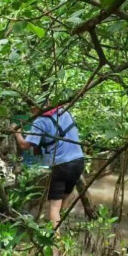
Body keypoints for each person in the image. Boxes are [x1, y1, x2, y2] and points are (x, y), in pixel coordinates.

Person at [12, 98, 84, 230]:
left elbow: (24, 145)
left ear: (36, 108)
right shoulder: (64, 112)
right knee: (65, 196)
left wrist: (16, 132)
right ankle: (60, 225)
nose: (31, 114)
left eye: (31, 110)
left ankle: (56, 243)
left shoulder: (40, 121)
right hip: (79, 161)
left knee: (54, 207)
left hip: (62, 165)